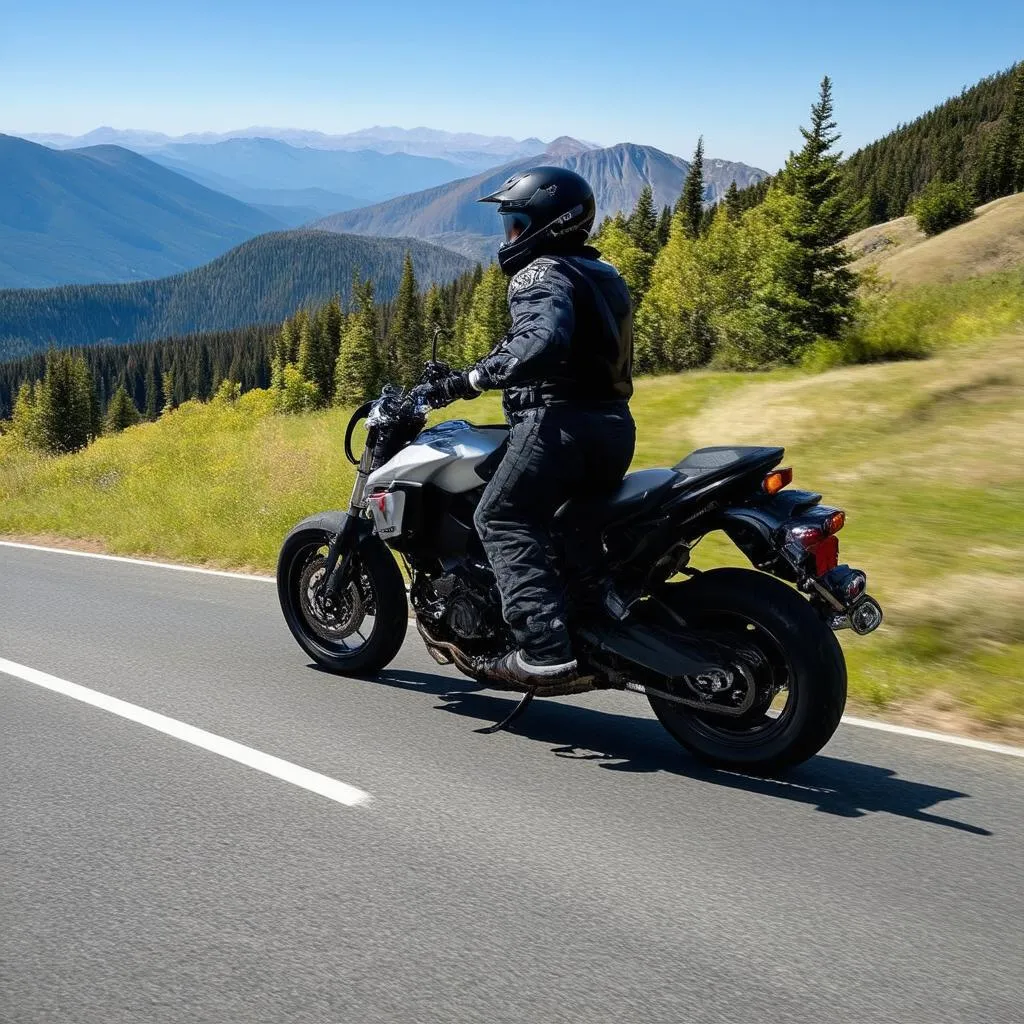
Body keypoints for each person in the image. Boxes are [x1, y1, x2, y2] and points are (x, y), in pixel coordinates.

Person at [423, 166, 635, 689]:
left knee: (499, 517)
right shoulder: (602, 272)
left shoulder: (539, 273)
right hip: (612, 428)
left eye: (515, 223)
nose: (509, 235)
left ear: (547, 224)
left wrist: (473, 377)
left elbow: (542, 340)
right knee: (564, 524)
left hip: (557, 428)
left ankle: (542, 649)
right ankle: (591, 612)